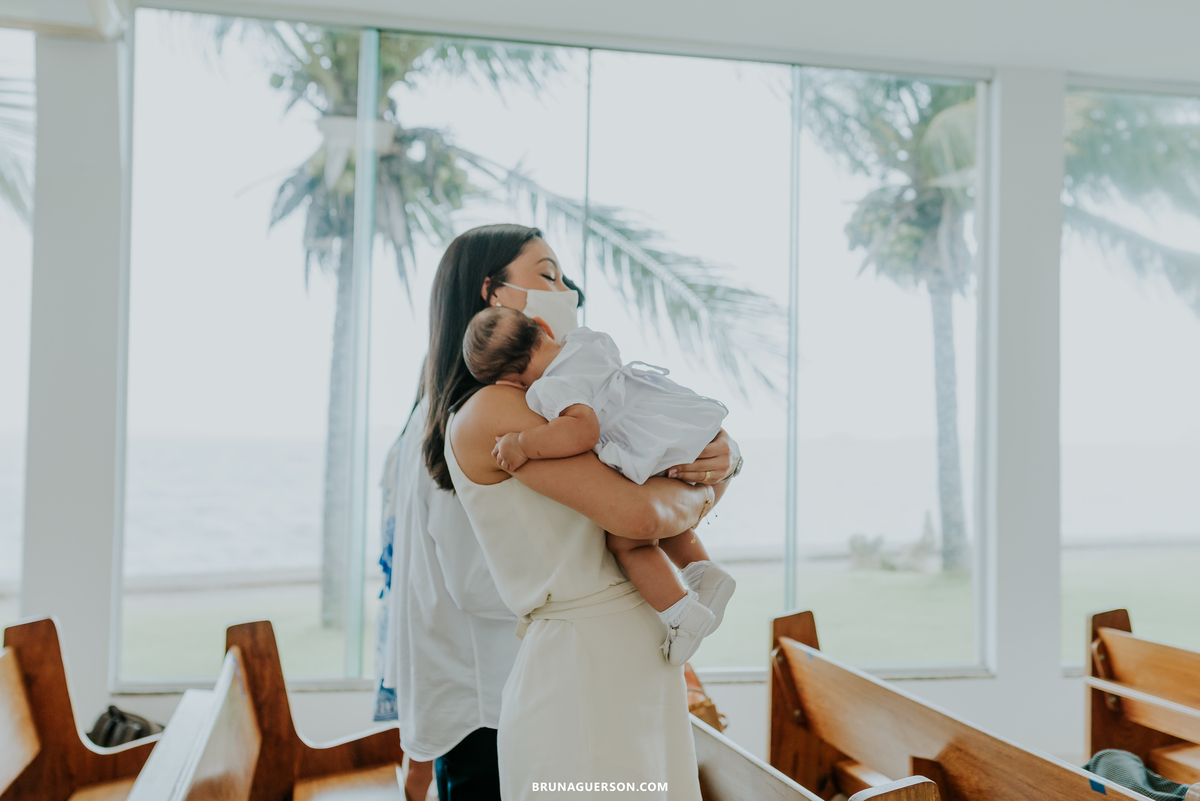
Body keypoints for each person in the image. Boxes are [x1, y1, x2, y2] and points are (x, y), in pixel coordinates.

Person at [427, 225, 741, 799]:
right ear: (492, 295)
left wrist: (716, 461)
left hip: (626, 660)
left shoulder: (555, 397)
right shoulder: (498, 409)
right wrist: (708, 480)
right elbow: (642, 516)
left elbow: (658, 485)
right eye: (548, 275)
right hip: (584, 668)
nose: (567, 291)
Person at [461, 306, 737, 665]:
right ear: (543, 325)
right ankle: (704, 572)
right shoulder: (587, 341)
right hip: (673, 419)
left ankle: (682, 614)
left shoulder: (549, 388)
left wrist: (523, 443)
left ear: (509, 383)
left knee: (627, 542)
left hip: (649, 443)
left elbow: (582, 430)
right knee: (667, 519)